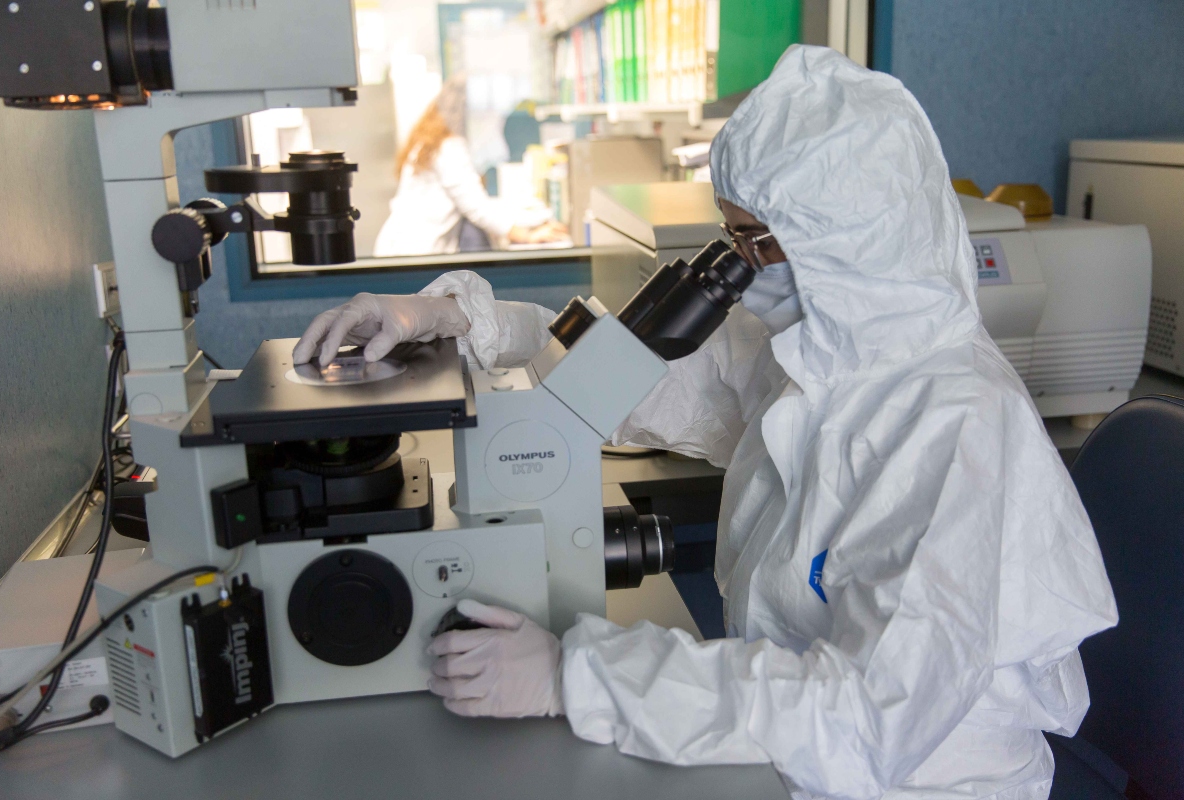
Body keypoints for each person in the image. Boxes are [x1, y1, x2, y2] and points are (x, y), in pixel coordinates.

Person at [293, 47, 1117, 799]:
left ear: (846, 244)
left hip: (915, 782)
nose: (736, 269)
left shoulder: (960, 433)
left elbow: (867, 718)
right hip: (790, 753)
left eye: (753, 240)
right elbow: (650, 384)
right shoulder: (825, 355)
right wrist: (458, 318)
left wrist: (576, 678)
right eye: (732, 235)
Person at [374, 77, 566, 257]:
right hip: (414, 251)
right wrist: (526, 236)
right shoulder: (448, 147)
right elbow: (476, 207)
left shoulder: (434, 142)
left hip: (403, 247)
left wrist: (533, 220)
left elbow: (476, 203)